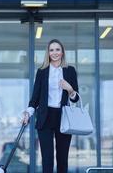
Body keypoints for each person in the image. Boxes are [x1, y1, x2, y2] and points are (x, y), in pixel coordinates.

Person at [21, 39, 79, 173]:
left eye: (57, 49)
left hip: (63, 117)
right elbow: (35, 98)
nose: (54, 53)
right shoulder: (42, 71)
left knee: (62, 158)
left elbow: (75, 99)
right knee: (47, 158)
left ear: (62, 52)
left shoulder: (70, 71)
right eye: (51, 50)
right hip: (45, 116)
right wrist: (27, 113)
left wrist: (69, 89)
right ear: (48, 53)